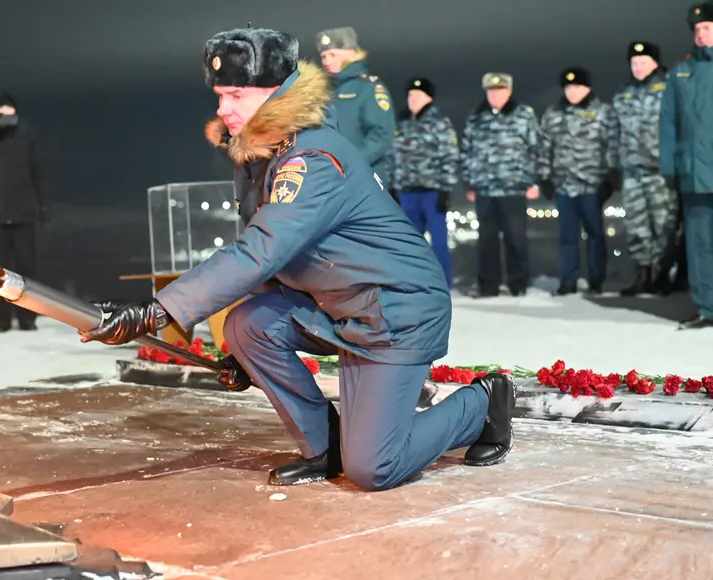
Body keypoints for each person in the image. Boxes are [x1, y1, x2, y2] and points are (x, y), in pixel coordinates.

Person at [81, 27, 515, 492]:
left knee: (375, 469)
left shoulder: (313, 157)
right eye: (220, 95)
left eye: (235, 95)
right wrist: (247, 356)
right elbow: (276, 260)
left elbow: (261, 249)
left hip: (395, 310)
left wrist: (158, 311)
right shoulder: (260, 155)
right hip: (340, 304)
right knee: (247, 326)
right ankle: (326, 447)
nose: (222, 108)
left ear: (277, 94)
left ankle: (482, 405)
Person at [0, 94, 48, 333]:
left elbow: (38, 170)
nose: (5, 115)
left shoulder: (27, 134)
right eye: (0, 111)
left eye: (9, 110)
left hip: (23, 213)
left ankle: (27, 318)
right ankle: (0, 319)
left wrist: (43, 204)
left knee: (26, 269)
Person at [461, 73, 542, 297]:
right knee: (486, 241)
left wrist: (535, 181)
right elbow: (466, 152)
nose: (495, 95)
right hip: (485, 188)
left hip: (514, 187)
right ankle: (488, 285)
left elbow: (537, 148)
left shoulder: (523, 115)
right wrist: (468, 183)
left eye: (500, 90)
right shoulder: (476, 118)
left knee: (516, 239)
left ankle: (519, 285)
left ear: (509, 91)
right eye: (491, 91)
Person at [538, 68, 616, 296]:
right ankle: (568, 280)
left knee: (595, 235)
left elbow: (611, 144)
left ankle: (596, 280)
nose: (572, 92)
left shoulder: (602, 112)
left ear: (588, 88)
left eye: (577, 87)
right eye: (568, 87)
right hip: (564, 185)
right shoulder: (553, 114)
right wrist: (544, 176)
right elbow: (544, 147)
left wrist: (610, 176)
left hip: (592, 184)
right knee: (567, 237)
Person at [610, 41, 678, 297]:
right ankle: (643, 275)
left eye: (643, 62)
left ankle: (663, 275)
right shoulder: (623, 93)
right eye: (634, 62)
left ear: (655, 63)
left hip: (660, 169)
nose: (638, 67)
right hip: (632, 170)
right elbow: (614, 132)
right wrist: (613, 165)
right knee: (636, 225)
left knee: (664, 225)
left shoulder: (670, 88)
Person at [660, 3, 713, 330]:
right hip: (694, 173)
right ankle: (707, 308)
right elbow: (668, 123)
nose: (700, 34)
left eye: (707, 27)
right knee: (700, 244)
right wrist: (670, 166)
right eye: (696, 29)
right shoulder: (681, 73)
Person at [390, 77, 459, 285]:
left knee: (439, 242)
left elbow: (450, 156)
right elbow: (392, 156)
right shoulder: (401, 123)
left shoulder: (439, 122)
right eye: (410, 95)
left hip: (432, 191)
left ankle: (441, 284)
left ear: (429, 98)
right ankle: (412, 283)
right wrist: (392, 185)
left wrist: (445, 189)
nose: (412, 99)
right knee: (409, 242)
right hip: (407, 191)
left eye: (418, 95)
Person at [315, 27, 396, 186]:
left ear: (352, 53)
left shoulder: (368, 88)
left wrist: (350, 163)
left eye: (333, 55)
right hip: (328, 179)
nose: (326, 61)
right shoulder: (322, 92)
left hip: (363, 178)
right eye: (323, 56)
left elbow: (382, 135)